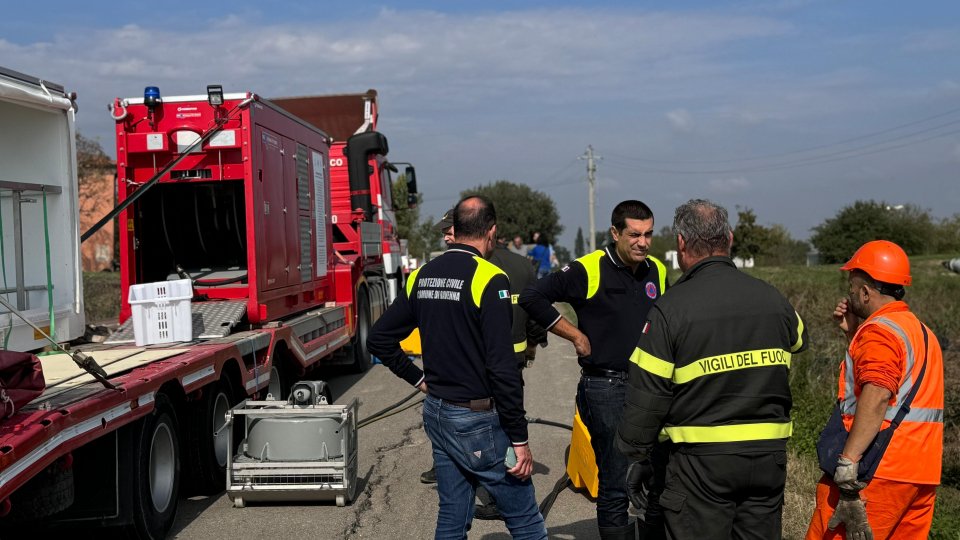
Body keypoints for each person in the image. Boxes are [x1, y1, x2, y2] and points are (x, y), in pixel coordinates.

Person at [615, 199, 808, 540]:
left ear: (681, 244)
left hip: (701, 465)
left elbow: (647, 397)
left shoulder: (670, 308)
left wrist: (636, 454)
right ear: (729, 238)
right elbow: (798, 341)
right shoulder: (773, 299)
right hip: (767, 459)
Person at [368, 195, 547, 540]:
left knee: (452, 514)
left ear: (456, 230)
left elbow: (379, 339)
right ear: (491, 232)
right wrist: (519, 437)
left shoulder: (421, 275)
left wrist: (419, 379)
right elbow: (502, 366)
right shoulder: (490, 278)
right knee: (525, 519)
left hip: (437, 412)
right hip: (476, 418)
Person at [520, 200, 668, 539]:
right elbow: (532, 297)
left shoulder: (657, 270)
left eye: (648, 234)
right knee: (616, 480)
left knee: (658, 476)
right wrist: (573, 334)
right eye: (634, 234)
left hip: (651, 388)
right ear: (615, 233)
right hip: (607, 388)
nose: (642, 242)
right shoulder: (589, 268)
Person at [805, 240, 944, 540]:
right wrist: (853, 333)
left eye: (852, 287)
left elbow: (879, 392)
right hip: (920, 473)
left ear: (866, 292)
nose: (849, 293)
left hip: (875, 471)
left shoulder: (880, 331)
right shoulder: (921, 331)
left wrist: (847, 464)